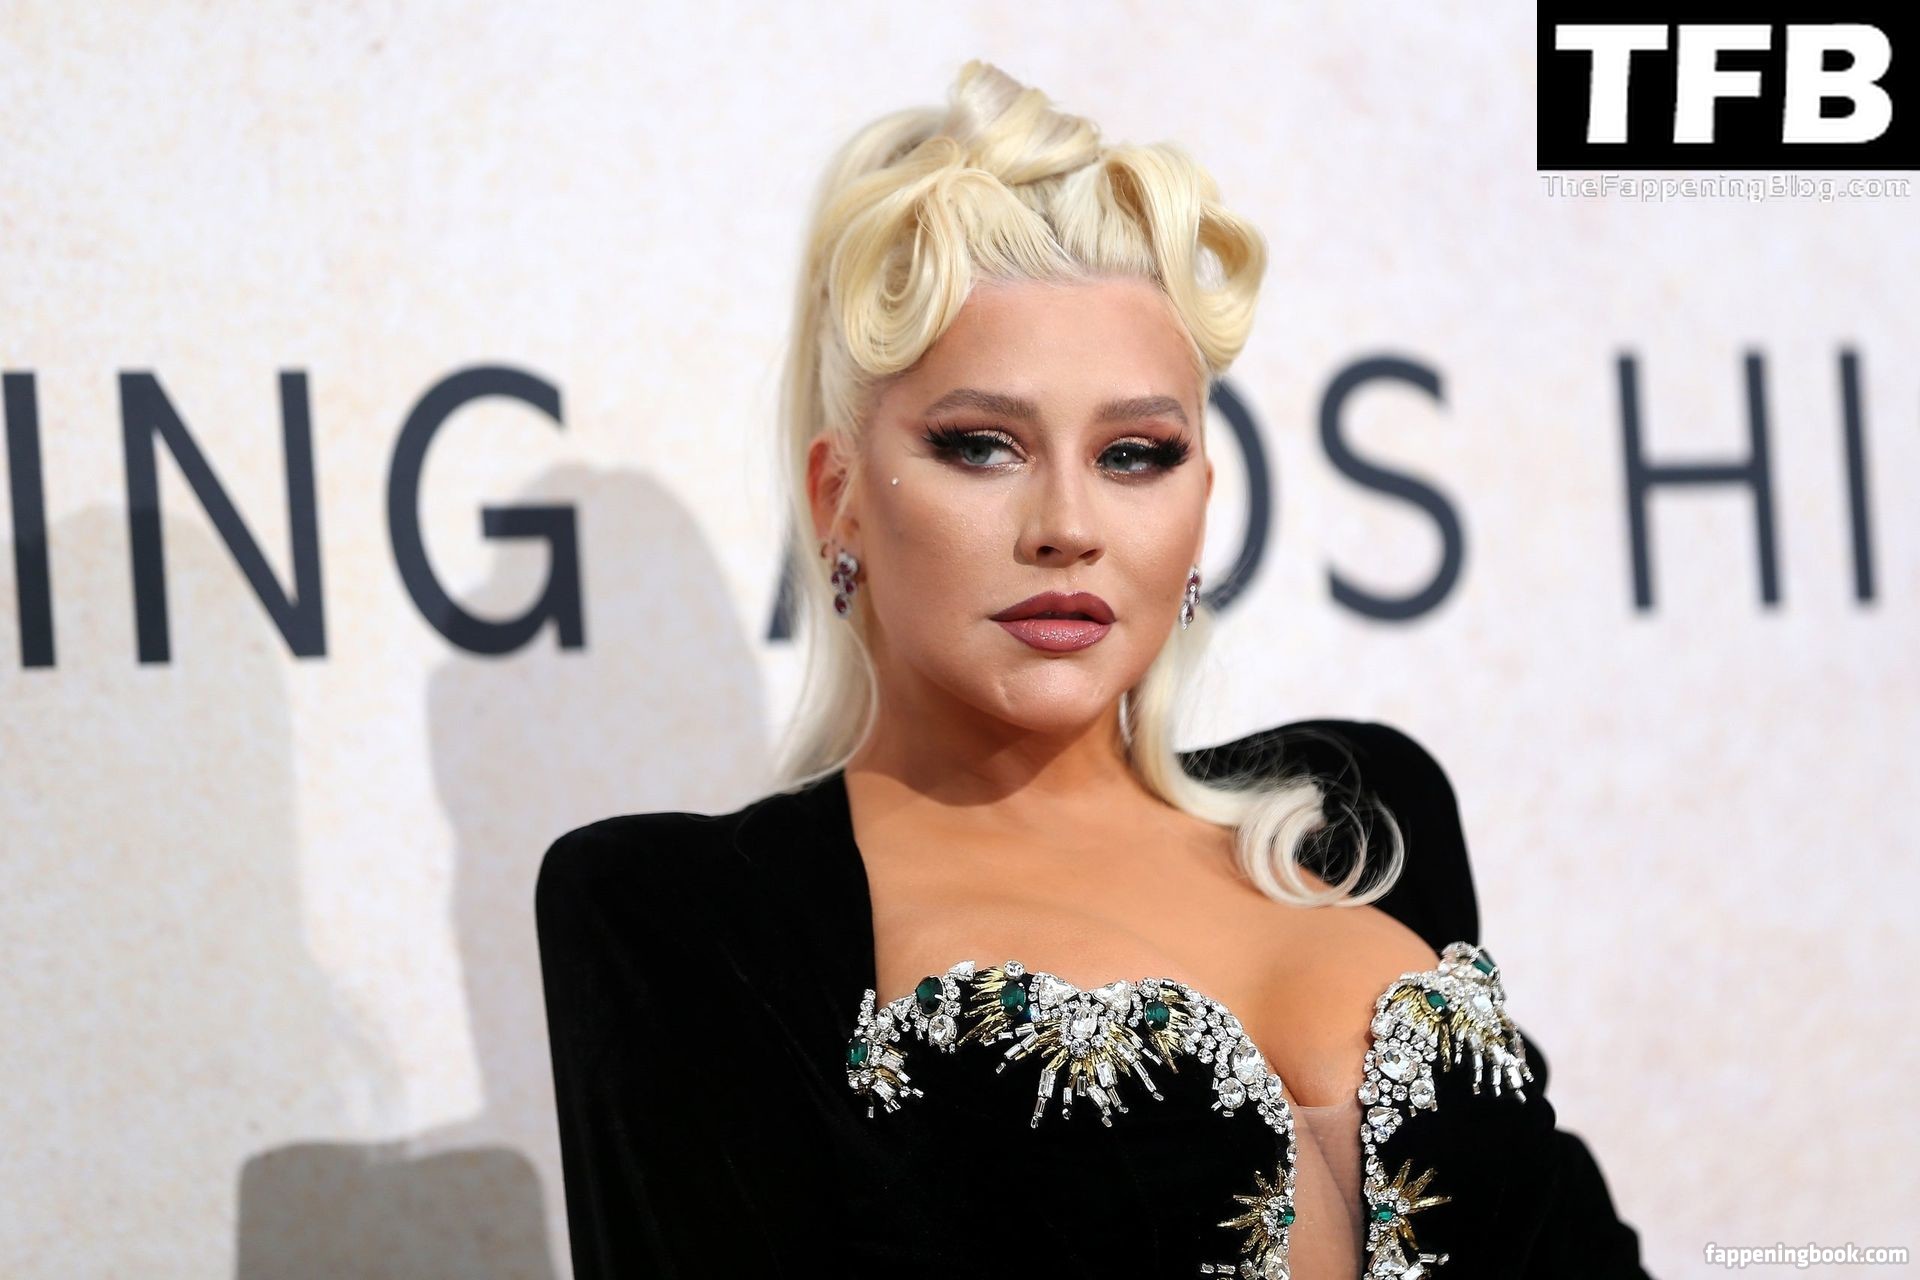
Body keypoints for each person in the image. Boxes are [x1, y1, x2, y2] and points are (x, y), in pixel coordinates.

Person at [535, 59, 1651, 1279]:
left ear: (1202, 495)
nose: (1067, 525)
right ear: (839, 495)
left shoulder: (1364, 811)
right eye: (982, 445)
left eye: (1134, 453)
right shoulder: (693, 919)